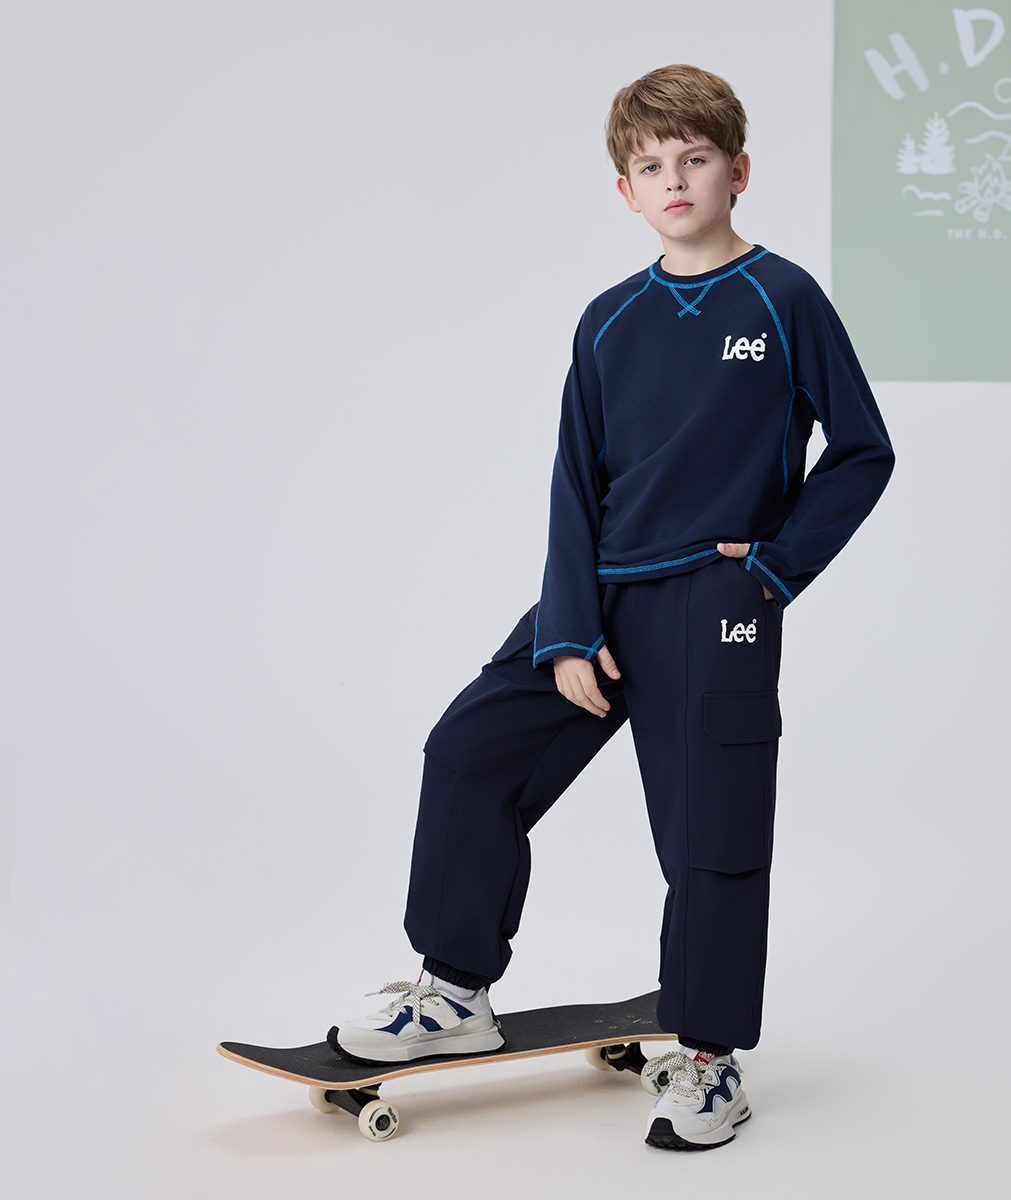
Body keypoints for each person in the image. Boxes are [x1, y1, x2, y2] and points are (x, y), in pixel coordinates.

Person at [331, 63, 895, 1151]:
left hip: (718, 605)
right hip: (601, 597)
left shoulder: (784, 301)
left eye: (695, 159)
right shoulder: (608, 321)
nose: (674, 180)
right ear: (625, 191)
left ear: (738, 170)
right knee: (469, 753)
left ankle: (710, 1059)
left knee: (709, 833)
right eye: (651, 166)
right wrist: (567, 629)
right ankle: (454, 992)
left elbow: (863, 450)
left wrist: (772, 569)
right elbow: (573, 485)